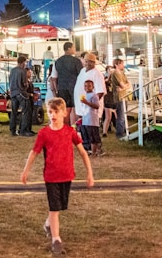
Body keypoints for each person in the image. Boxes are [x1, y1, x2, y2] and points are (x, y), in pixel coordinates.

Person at [21, 98, 94, 256]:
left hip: (67, 175)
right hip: (51, 176)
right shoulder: (44, 133)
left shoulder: (70, 132)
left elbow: (82, 152)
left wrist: (90, 173)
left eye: (56, 112)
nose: (53, 115)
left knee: (59, 207)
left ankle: (48, 224)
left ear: (64, 113)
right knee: (54, 208)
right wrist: (26, 170)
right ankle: (56, 239)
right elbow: (34, 152)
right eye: (50, 112)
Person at [73, 53, 105, 151]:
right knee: (83, 128)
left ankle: (95, 148)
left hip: (91, 109)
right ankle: (86, 146)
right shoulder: (82, 71)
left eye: (90, 62)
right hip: (82, 106)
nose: (87, 63)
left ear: (94, 63)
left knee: (92, 130)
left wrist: (91, 104)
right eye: (86, 61)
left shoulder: (97, 73)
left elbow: (100, 92)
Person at [54, 42, 83, 125]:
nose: (74, 49)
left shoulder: (58, 61)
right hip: (73, 87)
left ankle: (64, 126)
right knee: (74, 109)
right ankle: (73, 127)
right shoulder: (76, 61)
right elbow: (80, 74)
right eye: (73, 47)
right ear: (69, 48)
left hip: (61, 87)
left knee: (64, 109)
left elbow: (55, 77)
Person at [9, 56, 34, 137]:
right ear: (23, 62)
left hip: (13, 93)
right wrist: (26, 87)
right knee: (26, 111)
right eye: (25, 62)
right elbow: (24, 83)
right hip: (21, 93)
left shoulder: (12, 70)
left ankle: (12, 130)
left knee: (14, 111)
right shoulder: (22, 71)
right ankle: (23, 130)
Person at [78, 80, 102, 156]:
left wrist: (86, 102)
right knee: (90, 136)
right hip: (86, 119)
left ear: (93, 87)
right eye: (85, 86)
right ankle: (93, 151)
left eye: (89, 86)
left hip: (92, 119)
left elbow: (97, 106)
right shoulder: (85, 95)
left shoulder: (94, 95)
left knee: (95, 136)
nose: (87, 88)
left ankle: (98, 150)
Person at [109, 58, 130, 138]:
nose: (123, 65)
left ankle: (124, 130)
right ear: (117, 64)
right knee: (121, 115)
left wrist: (123, 88)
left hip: (123, 95)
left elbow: (128, 84)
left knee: (123, 115)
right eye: (121, 64)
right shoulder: (115, 73)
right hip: (119, 97)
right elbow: (124, 84)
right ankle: (120, 133)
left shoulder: (122, 73)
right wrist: (125, 87)